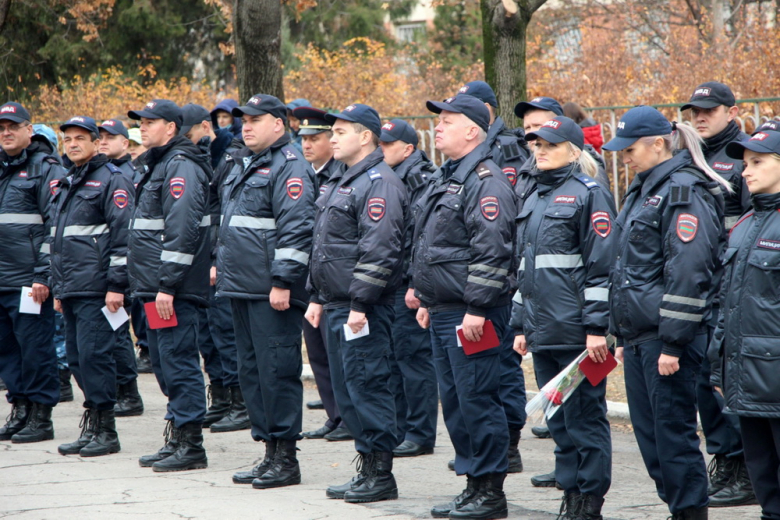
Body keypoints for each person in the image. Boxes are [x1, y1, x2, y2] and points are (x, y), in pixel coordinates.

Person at [604, 105, 731, 520]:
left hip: (668, 339)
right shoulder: (644, 188)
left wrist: (674, 343)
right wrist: (619, 335)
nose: (623, 157)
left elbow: (689, 272)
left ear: (658, 143)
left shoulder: (683, 190)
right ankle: (679, 509)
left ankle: (689, 513)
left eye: (629, 149)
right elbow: (627, 267)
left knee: (672, 440)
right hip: (641, 337)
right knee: (653, 444)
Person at [414, 95, 516, 520]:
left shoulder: (486, 178)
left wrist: (476, 307)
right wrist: (426, 299)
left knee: (477, 398)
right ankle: (473, 483)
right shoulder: (451, 174)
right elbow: (435, 244)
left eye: (448, 122)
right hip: (444, 309)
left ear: (472, 130)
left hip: (472, 313)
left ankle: (491, 491)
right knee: (456, 402)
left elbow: (492, 250)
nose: (438, 128)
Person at [511, 116, 616, 519]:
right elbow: (526, 268)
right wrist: (521, 323)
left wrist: (596, 329)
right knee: (559, 422)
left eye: (549, 145)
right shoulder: (535, 195)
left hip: (578, 335)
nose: (539, 151)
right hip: (544, 331)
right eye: (536, 145)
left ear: (574, 150)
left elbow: (601, 268)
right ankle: (571, 494)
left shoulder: (590, 194)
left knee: (585, 420)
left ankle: (589, 502)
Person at [304, 103, 408, 503]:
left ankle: (381, 473)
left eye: (341, 132)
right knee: (348, 390)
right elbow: (325, 246)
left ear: (366, 136)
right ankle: (365, 465)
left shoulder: (379, 182)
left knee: (368, 385)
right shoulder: (341, 180)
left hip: (361, 306)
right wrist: (316, 295)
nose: (332, 138)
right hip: (335, 303)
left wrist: (360, 305)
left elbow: (379, 251)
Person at [217, 94, 315, 489]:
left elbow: (297, 230)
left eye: (256, 119)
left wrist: (282, 282)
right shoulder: (245, 162)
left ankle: (286, 459)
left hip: (270, 290)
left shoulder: (289, 166)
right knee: (253, 373)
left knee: (277, 373)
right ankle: (269, 451)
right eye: (244, 119)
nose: (247, 125)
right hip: (242, 286)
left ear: (280, 123)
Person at [680, 81, 756, 507]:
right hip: (697, 289)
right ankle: (724, 460)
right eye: (695, 112)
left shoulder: (743, 159)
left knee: (724, 384)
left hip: (727, 288)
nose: (701, 117)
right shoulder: (689, 158)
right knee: (701, 385)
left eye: (709, 110)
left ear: (731, 110)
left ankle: (741, 468)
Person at [127, 99, 212, 472]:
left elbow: (182, 230)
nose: (143, 128)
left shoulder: (181, 166)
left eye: (150, 122)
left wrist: (167, 286)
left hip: (171, 290)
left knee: (178, 362)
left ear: (171, 128)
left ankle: (191, 445)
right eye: (141, 122)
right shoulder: (160, 163)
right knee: (163, 363)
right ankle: (177, 433)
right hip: (154, 287)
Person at [456, 83, 529, 473]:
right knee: (472, 385)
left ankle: (508, 444)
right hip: (485, 287)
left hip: (501, 288)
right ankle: (483, 460)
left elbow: (493, 238)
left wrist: (479, 301)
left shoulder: (498, 161)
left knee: (501, 369)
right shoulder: (459, 166)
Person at [53, 116, 134, 457]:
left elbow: (123, 238)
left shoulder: (110, 180)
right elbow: (58, 240)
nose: (72, 144)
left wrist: (117, 286)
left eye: (79, 138)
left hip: (98, 289)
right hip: (72, 288)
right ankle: (93, 423)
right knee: (76, 358)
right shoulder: (68, 181)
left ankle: (107, 431)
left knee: (94, 358)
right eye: (67, 139)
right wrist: (58, 288)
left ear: (96, 141)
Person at [712, 128, 780, 519]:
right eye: (744, 163)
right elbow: (728, 302)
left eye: (757, 162)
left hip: (774, 373)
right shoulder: (746, 223)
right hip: (746, 374)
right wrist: (716, 361)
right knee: (763, 477)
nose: (745, 172)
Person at [180, 104, 247, 433]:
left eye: (186, 131)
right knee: (208, 336)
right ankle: (220, 397)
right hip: (200, 261)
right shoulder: (195, 157)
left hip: (219, 261)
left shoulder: (230, 155)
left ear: (204, 127)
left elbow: (223, 212)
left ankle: (238, 401)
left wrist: (216, 259)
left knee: (225, 333)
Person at [0, 102, 64, 444]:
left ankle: (41, 415)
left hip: (28, 283)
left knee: (35, 348)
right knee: (7, 350)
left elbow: (54, 228)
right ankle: (21, 407)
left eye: (13, 126)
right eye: (1, 128)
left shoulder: (46, 169)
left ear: (29, 130)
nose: (6, 133)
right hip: (1, 281)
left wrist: (42, 276)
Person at [378, 118, 439, 458]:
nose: (381, 149)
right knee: (394, 358)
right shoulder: (392, 176)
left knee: (413, 359)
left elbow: (420, 237)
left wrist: (416, 283)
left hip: (407, 284)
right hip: (391, 283)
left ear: (408, 149)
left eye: (388, 144)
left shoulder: (419, 179)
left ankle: (419, 433)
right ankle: (401, 429)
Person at [292, 105, 352, 442]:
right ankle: (334, 414)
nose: (307, 145)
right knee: (317, 351)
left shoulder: (340, 174)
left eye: (315, 138)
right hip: (310, 278)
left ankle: (346, 416)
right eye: (304, 139)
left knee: (337, 352)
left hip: (333, 279)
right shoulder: (308, 173)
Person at [97, 118, 145, 418]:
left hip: (125, 266)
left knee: (117, 331)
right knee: (108, 331)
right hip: (99, 266)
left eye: (109, 137)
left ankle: (128, 392)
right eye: (99, 136)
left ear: (125, 143)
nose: (103, 141)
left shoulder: (129, 173)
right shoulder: (100, 172)